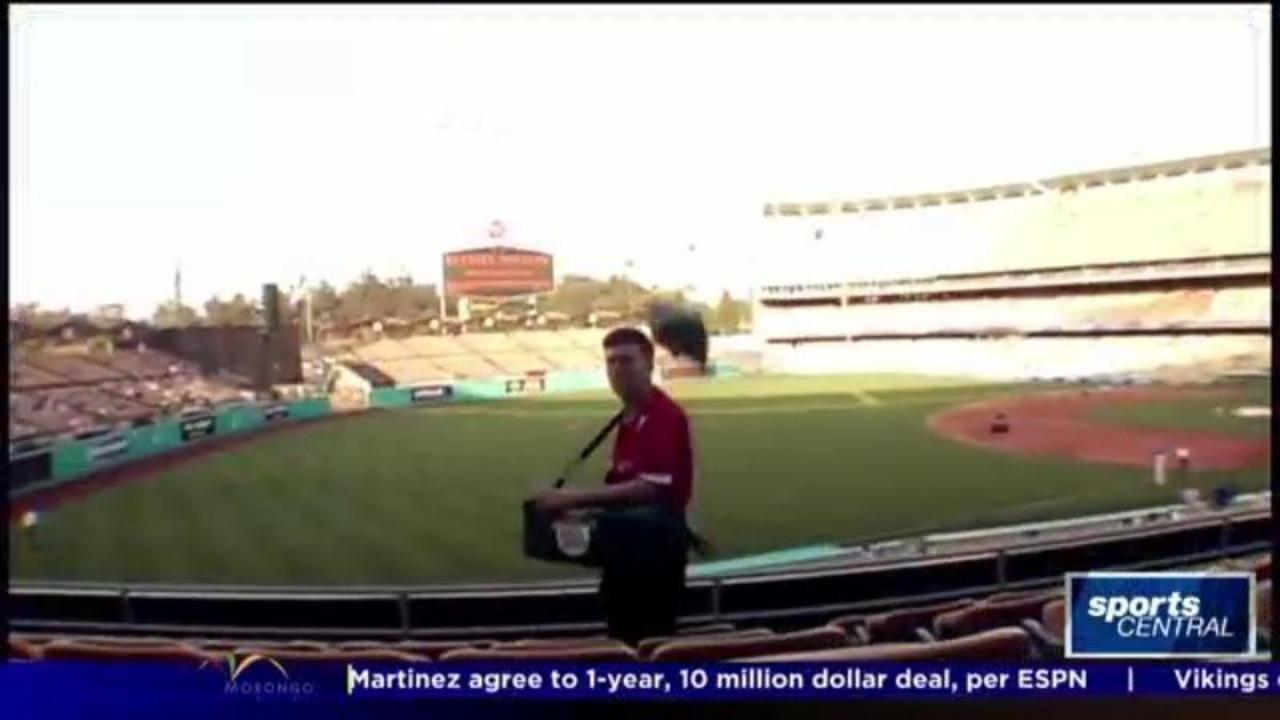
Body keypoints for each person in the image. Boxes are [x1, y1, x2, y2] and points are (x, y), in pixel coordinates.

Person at [532, 327, 695, 646]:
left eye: (626, 360)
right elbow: (626, 488)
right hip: (627, 551)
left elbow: (649, 489)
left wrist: (570, 498)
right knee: (622, 639)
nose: (617, 370)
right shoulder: (627, 417)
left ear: (648, 363)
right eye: (611, 362)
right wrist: (582, 509)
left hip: (653, 556)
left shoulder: (664, 415)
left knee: (648, 645)